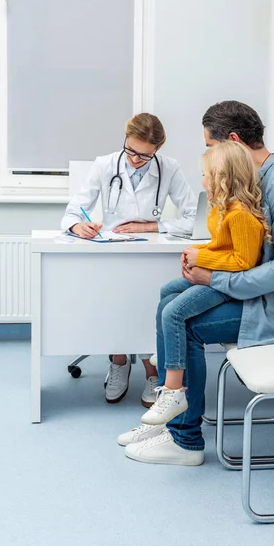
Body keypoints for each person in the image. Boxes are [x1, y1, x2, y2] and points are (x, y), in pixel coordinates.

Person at [119, 101, 274, 465]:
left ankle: (185, 441)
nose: (209, 160)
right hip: (262, 298)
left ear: (233, 141)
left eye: (210, 148)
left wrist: (214, 276)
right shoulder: (254, 182)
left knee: (186, 323)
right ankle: (171, 414)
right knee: (170, 294)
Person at [61, 112, 197, 407]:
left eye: (144, 156)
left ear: (157, 150)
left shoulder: (169, 169)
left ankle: (151, 369)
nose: (135, 159)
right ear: (125, 139)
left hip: (151, 249)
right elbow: (72, 212)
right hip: (113, 248)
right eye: (130, 150)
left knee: (150, 304)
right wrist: (77, 226)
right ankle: (119, 362)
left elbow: (193, 218)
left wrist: (148, 226)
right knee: (116, 300)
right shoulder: (104, 165)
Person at [140, 141, 271, 426]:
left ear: (223, 177)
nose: (201, 180)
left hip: (228, 286)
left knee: (174, 312)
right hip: (218, 276)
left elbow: (244, 262)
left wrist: (204, 260)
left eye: (205, 174)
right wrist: (196, 254)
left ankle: (174, 392)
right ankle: (168, 351)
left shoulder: (241, 216)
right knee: (167, 291)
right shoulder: (220, 210)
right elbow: (220, 246)